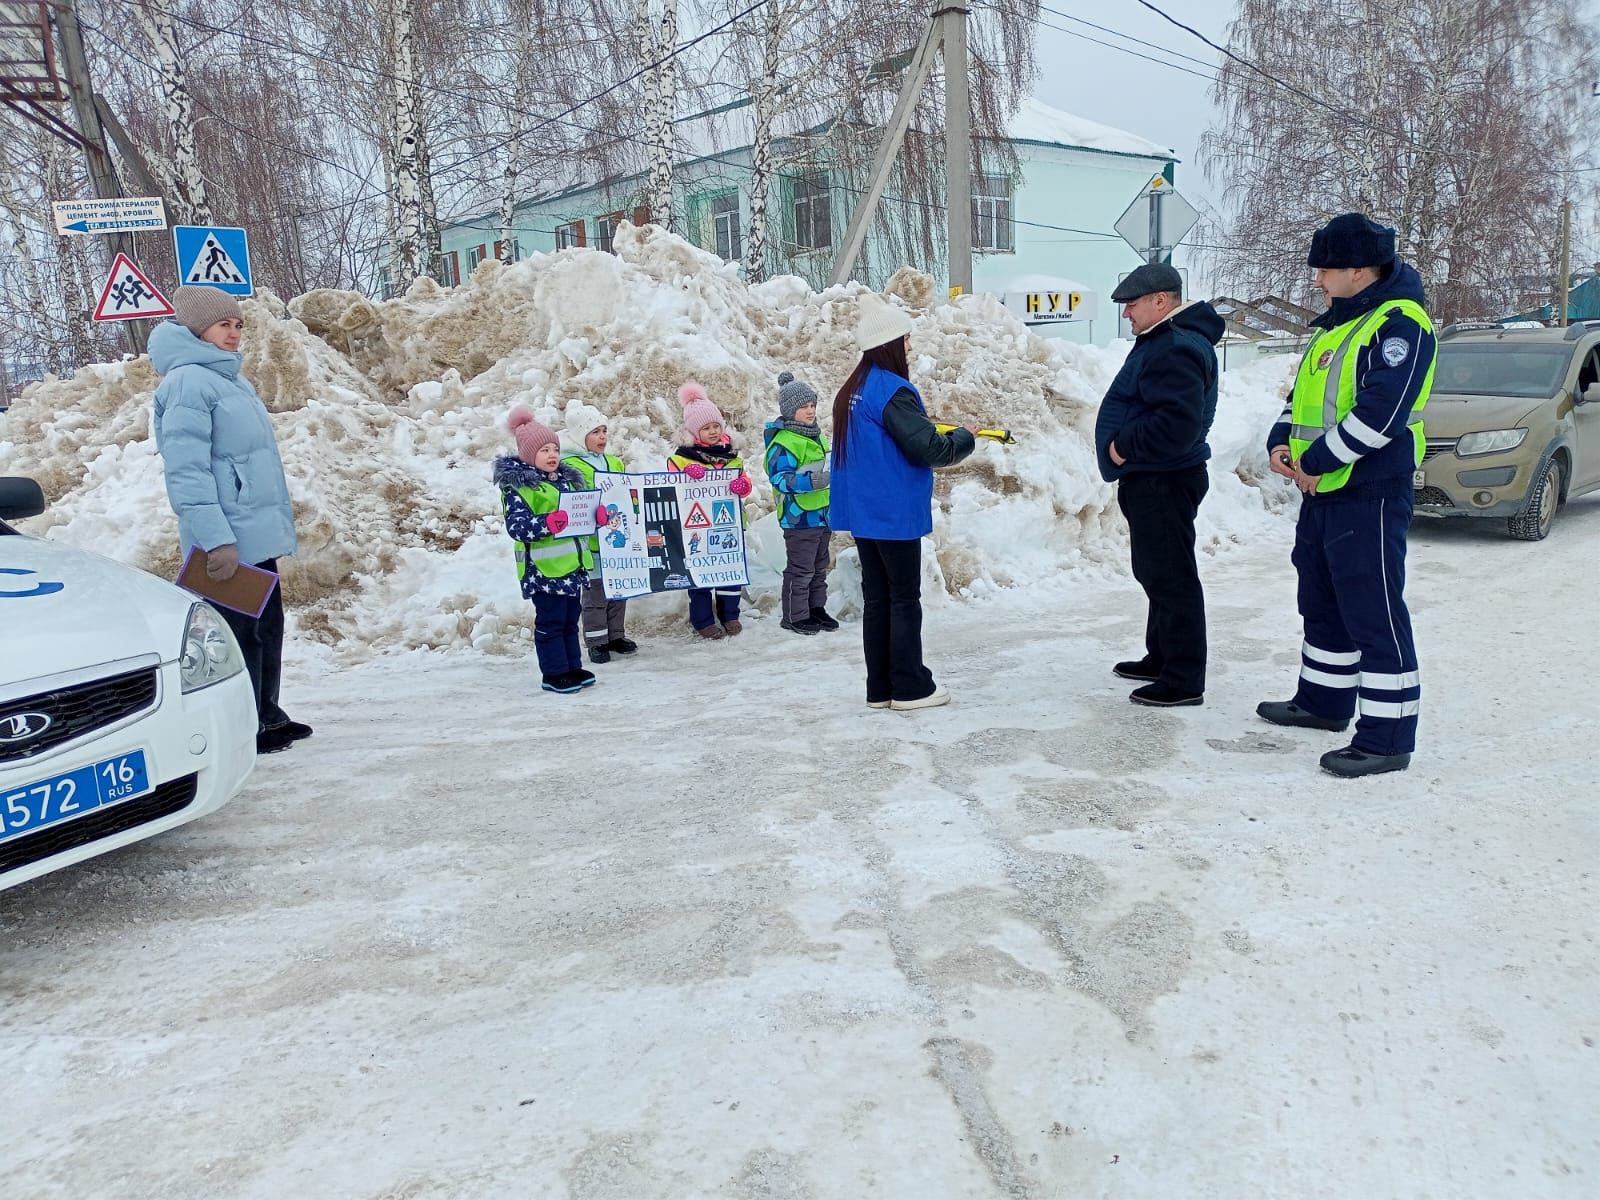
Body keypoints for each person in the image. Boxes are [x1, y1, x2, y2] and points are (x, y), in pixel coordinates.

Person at [1259, 213, 1436, 778]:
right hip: (1323, 494)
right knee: (1322, 601)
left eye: (1326, 269)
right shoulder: (1335, 327)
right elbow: (1300, 401)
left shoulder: (1400, 325)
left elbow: (1382, 413)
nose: (1317, 280)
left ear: (1360, 268)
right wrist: (1279, 444)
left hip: (1369, 491)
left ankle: (1386, 739)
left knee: (1374, 611)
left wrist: (1314, 462)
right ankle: (1323, 703)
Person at [152, 285, 308, 756]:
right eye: (225, 325)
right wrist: (215, 540)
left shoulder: (230, 379)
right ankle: (243, 726)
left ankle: (267, 715)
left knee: (265, 627)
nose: (235, 333)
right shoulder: (186, 383)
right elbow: (187, 471)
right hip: (227, 537)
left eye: (239, 325)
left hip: (252, 532)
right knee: (237, 635)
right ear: (198, 329)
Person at [828, 294, 975, 710]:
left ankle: (881, 688)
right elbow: (931, 449)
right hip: (892, 512)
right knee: (904, 598)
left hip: (865, 512)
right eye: (906, 339)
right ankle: (910, 687)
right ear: (891, 343)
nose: (910, 346)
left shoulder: (853, 389)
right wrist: (965, 435)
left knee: (878, 600)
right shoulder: (892, 390)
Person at [1094, 262, 1224, 708]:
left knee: (1172, 576)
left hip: (1163, 477)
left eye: (1131, 305)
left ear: (1161, 300)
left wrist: (1122, 446)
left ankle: (1183, 679)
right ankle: (1162, 656)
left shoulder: (1174, 347)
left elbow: (1177, 423)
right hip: (1156, 476)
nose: (1126, 314)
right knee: (1157, 570)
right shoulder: (1166, 340)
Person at [495, 408, 603, 694]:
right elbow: (518, 528)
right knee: (551, 622)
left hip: (572, 567)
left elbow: (579, 516)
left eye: (555, 448)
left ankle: (572, 667)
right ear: (529, 455)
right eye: (544, 450)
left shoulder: (566, 480)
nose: (552, 454)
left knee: (570, 620)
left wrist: (596, 517)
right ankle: (554, 673)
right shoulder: (519, 488)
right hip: (543, 571)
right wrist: (547, 523)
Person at [666, 380, 753, 639]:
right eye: (706, 428)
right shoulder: (681, 458)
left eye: (716, 426)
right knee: (700, 572)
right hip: (696, 527)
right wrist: (685, 476)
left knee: (729, 569)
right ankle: (702, 620)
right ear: (694, 432)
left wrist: (742, 486)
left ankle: (730, 615)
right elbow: (670, 488)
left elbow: (745, 482)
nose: (713, 432)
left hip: (729, 523)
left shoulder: (731, 455)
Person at [560, 402, 635, 664]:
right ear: (581, 437)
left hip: (618, 540)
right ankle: (596, 640)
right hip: (592, 542)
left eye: (604, 430)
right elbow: (573, 500)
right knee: (596, 594)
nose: (602, 437)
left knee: (619, 590)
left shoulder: (614, 462)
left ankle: (616, 635)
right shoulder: (571, 466)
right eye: (595, 432)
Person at [763, 370, 836, 636]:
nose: (810, 411)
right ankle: (795, 615)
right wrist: (813, 481)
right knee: (801, 569)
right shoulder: (783, 443)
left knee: (819, 568)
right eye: (803, 407)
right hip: (798, 517)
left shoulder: (817, 435)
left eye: (813, 405)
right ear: (789, 409)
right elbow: (780, 479)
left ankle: (816, 609)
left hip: (822, 514)